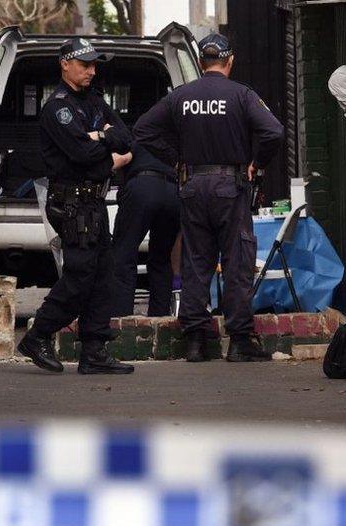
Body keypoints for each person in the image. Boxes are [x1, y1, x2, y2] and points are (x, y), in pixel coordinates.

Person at [135, 33, 285, 362]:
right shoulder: (241, 95)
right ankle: (240, 341)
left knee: (196, 262)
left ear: (201, 63)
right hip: (229, 188)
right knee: (236, 261)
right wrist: (257, 164)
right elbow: (273, 131)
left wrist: (175, 158)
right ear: (229, 61)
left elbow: (143, 129)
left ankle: (195, 341)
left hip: (191, 186)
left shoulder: (181, 97)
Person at [16, 38, 135, 375]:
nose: (91, 71)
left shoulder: (95, 102)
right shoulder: (58, 108)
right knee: (80, 275)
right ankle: (37, 335)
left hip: (94, 201)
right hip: (72, 203)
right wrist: (101, 139)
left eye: (94, 65)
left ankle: (94, 351)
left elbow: (127, 138)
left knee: (101, 276)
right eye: (85, 65)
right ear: (65, 64)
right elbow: (82, 154)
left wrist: (97, 137)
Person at [109, 143, 180, 317]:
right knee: (161, 260)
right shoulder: (168, 141)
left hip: (141, 187)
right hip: (172, 192)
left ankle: (122, 319)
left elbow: (118, 161)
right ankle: (160, 319)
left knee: (123, 256)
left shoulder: (133, 137)